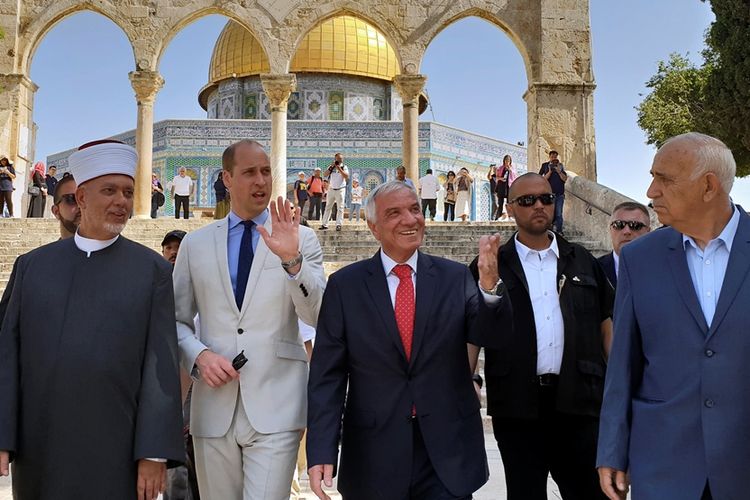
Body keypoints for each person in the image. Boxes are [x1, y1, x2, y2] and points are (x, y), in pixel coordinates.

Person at [0, 139, 184, 500]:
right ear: (81, 198)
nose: (122, 202)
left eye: (128, 192)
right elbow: (7, 355)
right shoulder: (33, 267)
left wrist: (153, 452)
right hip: (40, 443)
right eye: (110, 190)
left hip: (116, 447)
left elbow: (160, 366)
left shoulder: (152, 271)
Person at [306, 180, 513, 500]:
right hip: (374, 455)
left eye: (415, 209)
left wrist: (489, 286)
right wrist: (321, 450)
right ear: (373, 227)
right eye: (394, 213)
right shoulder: (345, 287)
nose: (409, 219)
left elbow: (493, 337)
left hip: (446, 454)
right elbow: (327, 377)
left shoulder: (455, 278)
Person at [597, 132, 750, 500]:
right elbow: (623, 365)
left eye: (664, 179)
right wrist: (612, 450)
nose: (651, 191)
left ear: (709, 186)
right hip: (664, 466)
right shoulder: (639, 259)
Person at [172, 139, 326, 499]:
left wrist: (292, 262)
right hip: (213, 407)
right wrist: (199, 356)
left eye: (266, 171)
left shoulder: (301, 238)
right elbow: (175, 321)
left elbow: (318, 314)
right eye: (249, 173)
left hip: (277, 404)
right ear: (227, 177)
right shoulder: (195, 245)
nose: (261, 181)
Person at [469, 172, 614, 500]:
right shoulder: (491, 264)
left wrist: (619, 385)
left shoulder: (582, 260)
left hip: (579, 403)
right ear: (510, 207)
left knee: (590, 492)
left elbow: (607, 324)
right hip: (517, 406)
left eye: (546, 199)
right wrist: (469, 380)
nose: (538, 206)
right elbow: (472, 330)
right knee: (525, 493)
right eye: (527, 200)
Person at [598, 201, 651, 288]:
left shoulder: (665, 270)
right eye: (619, 224)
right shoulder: (592, 270)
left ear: (648, 232)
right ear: (610, 229)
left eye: (635, 225)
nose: (626, 231)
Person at [539, 151, 568, 233]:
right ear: (549, 157)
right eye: (552, 156)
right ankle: (548, 231)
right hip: (548, 195)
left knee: (559, 214)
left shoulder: (560, 166)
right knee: (549, 214)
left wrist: (559, 171)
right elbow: (541, 179)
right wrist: (550, 171)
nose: (554, 158)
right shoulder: (545, 165)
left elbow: (565, 179)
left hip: (560, 194)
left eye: (555, 156)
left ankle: (559, 232)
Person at [320, 153, 349, 231]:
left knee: (340, 208)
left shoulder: (344, 167)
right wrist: (331, 167)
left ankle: (338, 224)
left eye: (341, 159)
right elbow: (325, 174)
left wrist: (339, 168)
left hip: (340, 189)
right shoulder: (331, 167)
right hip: (331, 189)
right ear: (335, 159)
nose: (340, 160)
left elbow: (346, 176)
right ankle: (324, 224)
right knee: (328, 207)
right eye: (338, 159)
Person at [50, 172, 80, 239]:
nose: (82, 206)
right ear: (56, 211)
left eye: (88, 199)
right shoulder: (46, 250)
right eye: (71, 198)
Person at [495, 155, 514, 220]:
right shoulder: (500, 168)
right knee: (500, 202)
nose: (507, 162)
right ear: (504, 161)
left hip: (509, 187)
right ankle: (499, 216)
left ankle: (510, 216)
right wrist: (501, 178)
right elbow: (496, 177)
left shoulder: (512, 169)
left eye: (508, 161)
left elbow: (514, 177)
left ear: (510, 161)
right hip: (501, 186)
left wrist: (510, 170)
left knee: (509, 202)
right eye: (506, 161)